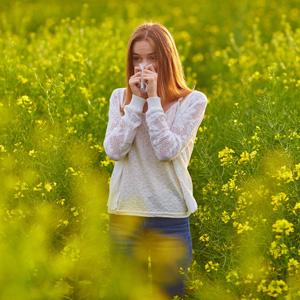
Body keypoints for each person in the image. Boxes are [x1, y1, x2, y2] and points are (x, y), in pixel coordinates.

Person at [103, 21, 208, 299]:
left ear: (167, 59)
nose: (143, 66)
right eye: (137, 59)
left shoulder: (193, 101)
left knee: (171, 294)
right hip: (125, 214)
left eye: (152, 58)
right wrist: (136, 103)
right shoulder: (119, 99)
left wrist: (154, 101)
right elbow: (114, 150)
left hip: (170, 216)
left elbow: (166, 150)